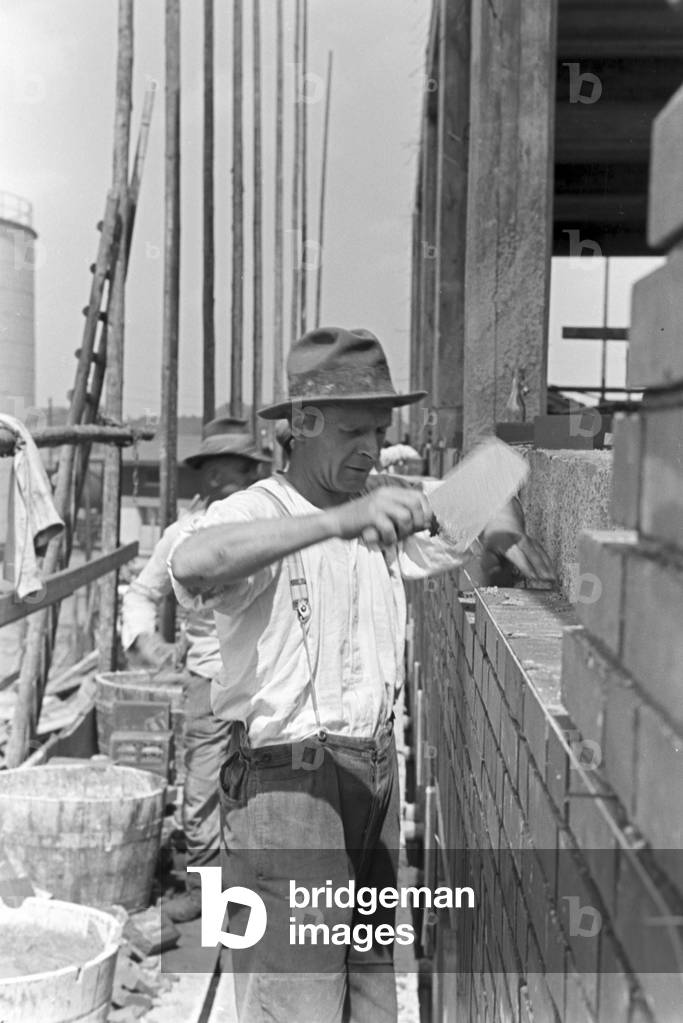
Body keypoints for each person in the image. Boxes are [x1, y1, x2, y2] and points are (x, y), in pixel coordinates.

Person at [169, 328, 554, 1019]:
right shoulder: (256, 511)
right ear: (302, 425)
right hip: (286, 790)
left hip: (372, 778)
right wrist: (343, 520)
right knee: (298, 1001)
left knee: (372, 992)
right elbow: (196, 561)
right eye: (353, 431)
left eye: (379, 430)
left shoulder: (381, 500)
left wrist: (499, 537)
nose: (371, 449)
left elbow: (496, 479)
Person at [121, 416, 271, 922]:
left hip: (272, 682)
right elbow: (142, 593)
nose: (229, 483)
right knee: (204, 786)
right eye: (218, 473)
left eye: (240, 472)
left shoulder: (275, 531)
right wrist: (148, 642)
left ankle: (259, 895)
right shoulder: (181, 536)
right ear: (204, 476)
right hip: (208, 680)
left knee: (270, 787)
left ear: (254, 473)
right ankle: (206, 891)